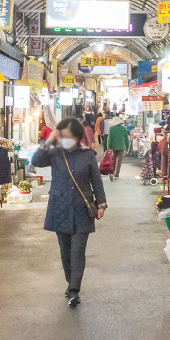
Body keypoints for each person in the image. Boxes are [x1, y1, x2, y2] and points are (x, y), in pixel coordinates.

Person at [32, 118, 107, 306]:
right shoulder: (55, 152)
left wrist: (101, 204)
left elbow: (96, 181)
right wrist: (51, 138)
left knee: (77, 251)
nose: (66, 140)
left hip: (82, 208)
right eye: (63, 137)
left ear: (78, 137)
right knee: (65, 252)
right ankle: (70, 282)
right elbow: (36, 161)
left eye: (69, 137)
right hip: (60, 206)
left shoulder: (88, 154)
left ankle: (74, 289)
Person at [106, 116, 129, 181]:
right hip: (121, 146)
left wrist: (108, 147)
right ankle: (117, 174)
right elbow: (126, 139)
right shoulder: (123, 128)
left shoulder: (112, 129)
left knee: (113, 160)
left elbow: (109, 139)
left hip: (113, 146)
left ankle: (112, 172)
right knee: (119, 161)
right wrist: (127, 147)